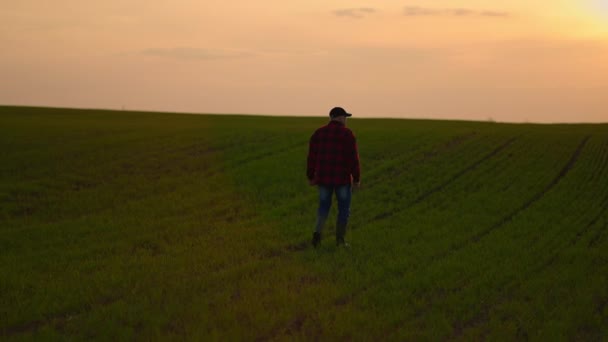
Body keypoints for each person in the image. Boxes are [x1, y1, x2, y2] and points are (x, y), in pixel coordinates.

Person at [307, 107, 361, 247]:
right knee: (343, 209)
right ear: (340, 117)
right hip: (342, 179)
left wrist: (310, 176)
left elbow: (311, 157)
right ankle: (340, 241)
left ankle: (316, 238)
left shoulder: (318, 133)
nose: (346, 120)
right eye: (345, 117)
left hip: (323, 179)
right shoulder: (347, 134)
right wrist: (356, 178)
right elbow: (353, 159)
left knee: (323, 208)